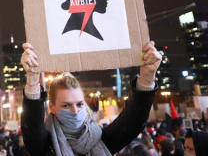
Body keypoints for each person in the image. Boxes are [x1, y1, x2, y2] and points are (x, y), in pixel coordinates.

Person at [21, 41, 161, 156]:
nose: (75, 111)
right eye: (66, 106)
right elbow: (32, 128)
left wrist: (148, 76)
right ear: (52, 108)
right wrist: (32, 80)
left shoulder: (100, 137)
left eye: (80, 104)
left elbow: (133, 121)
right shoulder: (45, 145)